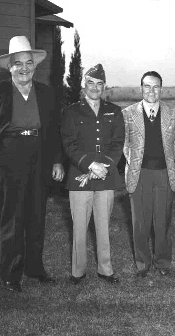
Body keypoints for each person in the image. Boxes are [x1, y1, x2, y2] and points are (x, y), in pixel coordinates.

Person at [0, 36, 64, 293]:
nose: (24, 68)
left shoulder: (47, 93)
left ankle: (35, 268)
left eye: (29, 63)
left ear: (34, 66)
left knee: (37, 213)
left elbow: (54, 131)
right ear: (9, 67)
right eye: (18, 64)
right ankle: (11, 273)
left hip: (39, 154)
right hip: (9, 155)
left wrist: (57, 160)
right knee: (11, 216)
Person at [61, 64, 124, 285]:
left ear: (104, 86)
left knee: (103, 225)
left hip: (105, 175)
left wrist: (104, 165)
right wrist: (90, 165)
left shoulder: (114, 111)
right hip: (80, 175)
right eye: (91, 83)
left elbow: (118, 143)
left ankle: (105, 269)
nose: (95, 88)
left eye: (99, 84)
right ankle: (78, 271)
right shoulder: (71, 111)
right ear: (83, 85)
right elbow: (69, 144)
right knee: (79, 226)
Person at [122, 71, 175, 277]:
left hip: (164, 173)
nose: (151, 91)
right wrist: (134, 163)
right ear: (141, 89)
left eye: (156, 86)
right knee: (140, 221)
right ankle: (142, 263)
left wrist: (165, 161)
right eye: (147, 86)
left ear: (161, 89)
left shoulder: (174, 113)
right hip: (139, 174)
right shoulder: (128, 113)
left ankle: (163, 262)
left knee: (162, 219)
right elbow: (125, 145)